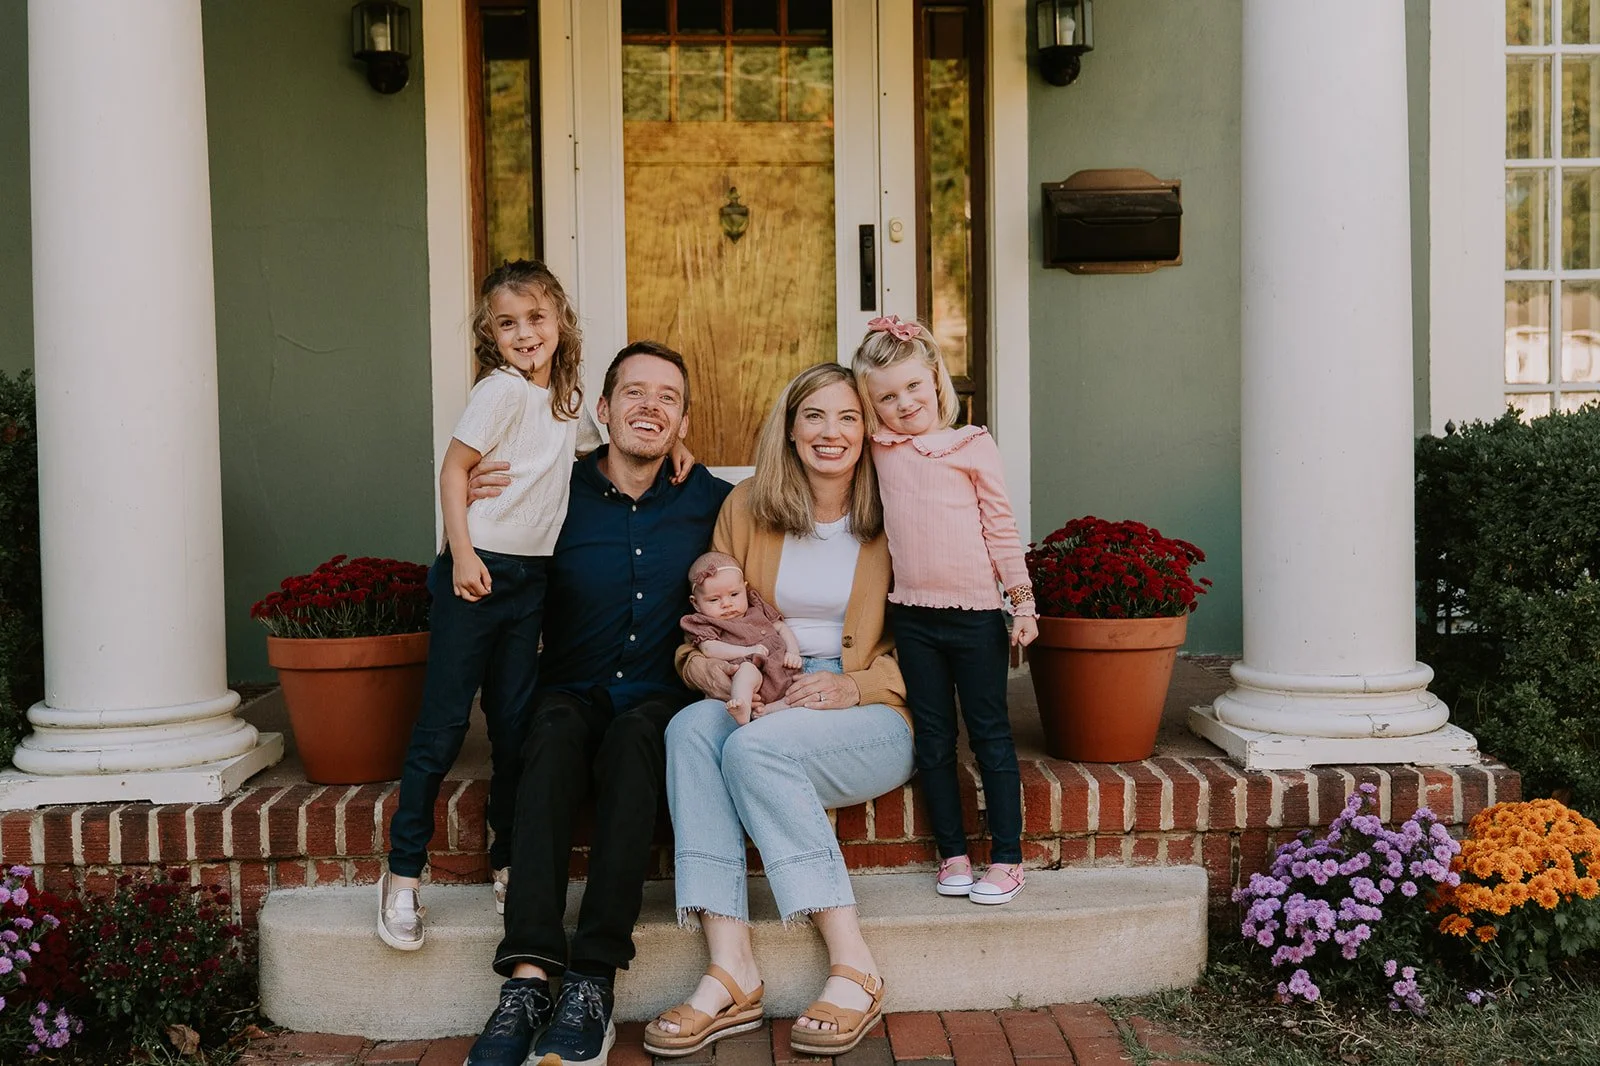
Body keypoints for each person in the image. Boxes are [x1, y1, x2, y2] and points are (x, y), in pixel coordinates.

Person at [462, 340, 730, 1066]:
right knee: (548, 736)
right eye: (634, 393)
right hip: (571, 687)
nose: (651, 406)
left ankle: (593, 980)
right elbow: (483, 543)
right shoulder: (554, 486)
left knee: (640, 744)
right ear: (602, 409)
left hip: (657, 697)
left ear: (682, 420)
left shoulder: (712, 501)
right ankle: (526, 977)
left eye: (668, 397)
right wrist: (471, 487)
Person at [643, 362, 914, 1060]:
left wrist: (860, 686)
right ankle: (731, 966)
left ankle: (854, 960)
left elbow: (942, 638)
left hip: (873, 707)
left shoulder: (900, 507)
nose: (832, 432)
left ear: (869, 429)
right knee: (689, 730)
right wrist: (694, 666)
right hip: (763, 690)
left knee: (754, 749)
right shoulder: (747, 507)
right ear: (790, 429)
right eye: (815, 416)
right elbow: (700, 623)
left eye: (849, 417)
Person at [380, 259, 601, 952]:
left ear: (561, 320)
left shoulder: (565, 400)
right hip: (476, 576)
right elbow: (453, 469)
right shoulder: (499, 391)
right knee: (443, 728)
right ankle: (403, 875)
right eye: (508, 323)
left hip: (531, 581)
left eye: (536, 318)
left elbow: (596, 455)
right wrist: (464, 552)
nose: (525, 333)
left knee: (512, 730)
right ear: (490, 334)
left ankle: (507, 860)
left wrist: (677, 446)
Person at [852, 314, 1037, 904]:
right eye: (886, 396)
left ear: (935, 378)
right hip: (913, 617)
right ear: (871, 405)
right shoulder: (878, 449)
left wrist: (1022, 601)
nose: (904, 404)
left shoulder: (971, 445)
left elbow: (1001, 528)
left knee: (989, 734)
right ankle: (953, 853)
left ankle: (1007, 857)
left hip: (977, 615)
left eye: (913, 387)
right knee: (932, 737)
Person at [679, 551, 803, 724]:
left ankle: (772, 708)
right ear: (695, 603)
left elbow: (781, 627)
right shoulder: (705, 623)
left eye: (734, 595)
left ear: (745, 588)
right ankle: (742, 708)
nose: (727, 604)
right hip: (747, 677)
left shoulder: (757, 609)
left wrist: (793, 652)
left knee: (802, 688)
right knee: (746, 671)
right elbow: (709, 648)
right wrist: (747, 650)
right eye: (714, 600)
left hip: (780, 671)